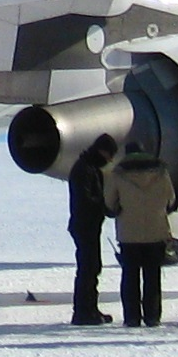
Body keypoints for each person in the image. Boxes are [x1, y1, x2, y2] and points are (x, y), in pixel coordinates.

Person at [109, 147, 178, 328]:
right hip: (156, 232)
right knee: (152, 278)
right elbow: (171, 199)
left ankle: (132, 317)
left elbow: (109, 203)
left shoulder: (118, 174)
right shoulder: (161, 173)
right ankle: (152, 316)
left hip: (128, 234)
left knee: (130, 277)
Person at [66, 134, 116, 326]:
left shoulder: (90, 167)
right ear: (102, 151)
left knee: (92, 267)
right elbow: (86, 198)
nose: (110, 160)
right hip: (84, 224)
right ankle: (83, 311)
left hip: (88, 224)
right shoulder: (85, 169)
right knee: (88, 268)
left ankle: (90, 308)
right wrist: (104, 208)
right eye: (109, 155)